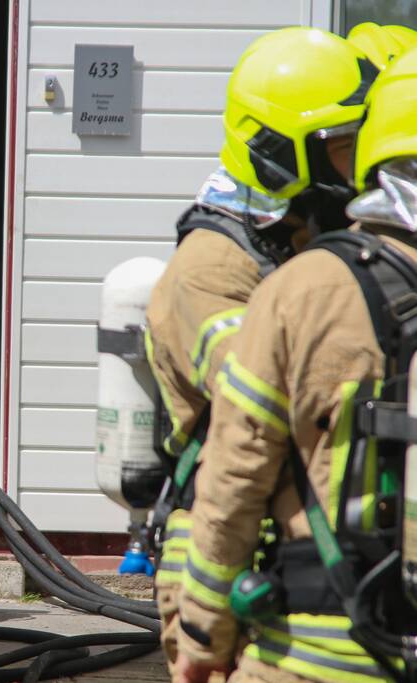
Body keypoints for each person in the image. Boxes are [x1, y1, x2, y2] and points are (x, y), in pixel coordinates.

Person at [173, 44, 417, 683]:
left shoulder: (304, 287)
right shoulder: (215, 268)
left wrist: (203, 634)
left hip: (307, 650)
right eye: (337, 144)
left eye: (353, 143)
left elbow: (242, 463)